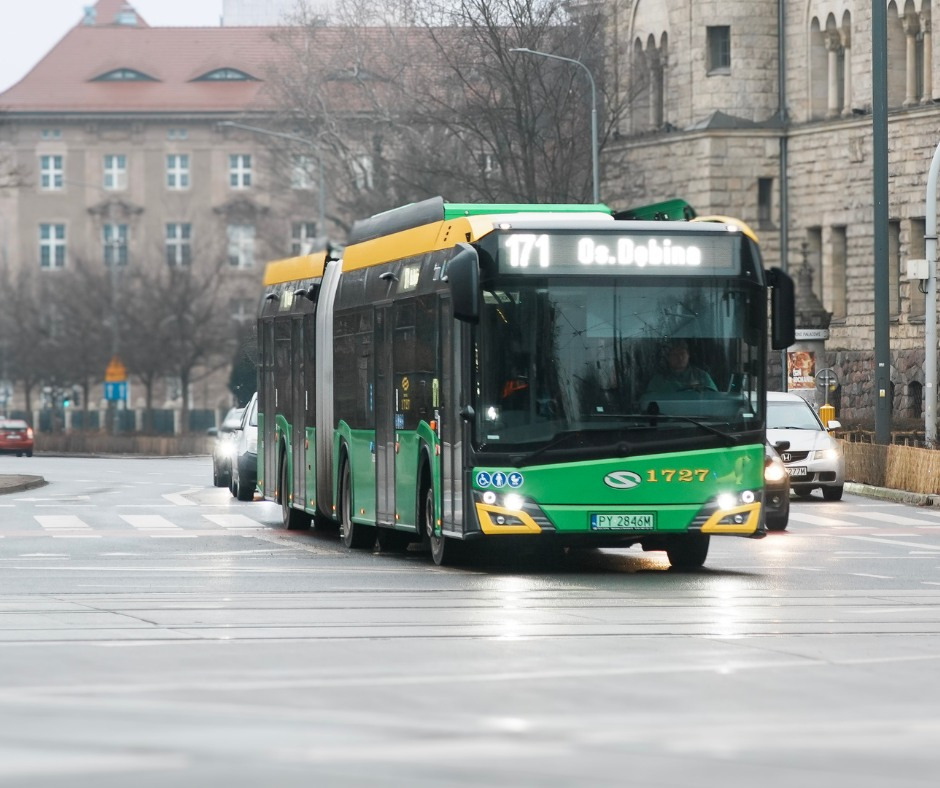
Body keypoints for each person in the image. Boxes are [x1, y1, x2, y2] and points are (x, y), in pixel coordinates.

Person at [645, 339, 717, 394]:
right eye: (674, 354)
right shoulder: (658, 380)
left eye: (682, 353)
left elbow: (714, 399)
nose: (680, 358)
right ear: (668, 358)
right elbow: (649, 403)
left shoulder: (702, 376)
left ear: (688, 355)